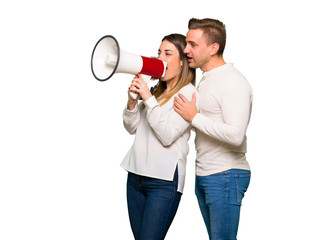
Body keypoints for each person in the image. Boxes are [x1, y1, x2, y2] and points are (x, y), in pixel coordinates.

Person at [173, 18, 253, 240]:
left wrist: (194, 117)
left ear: (213, 48)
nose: (186, 49)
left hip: (225, 174)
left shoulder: (231, 81)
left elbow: (236, 135)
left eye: (193, 44)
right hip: (206, 174)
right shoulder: (208, 79)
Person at [121, 33, 198, 240]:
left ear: (182, 62)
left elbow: (167, 135)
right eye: (159, 52)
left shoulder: (190, 94)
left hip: (163, 181)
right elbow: (132, 128)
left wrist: (147, 98)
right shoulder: (156, 90)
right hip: (135, 175)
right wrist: (132, 103)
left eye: (167, 53)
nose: (159, 58)